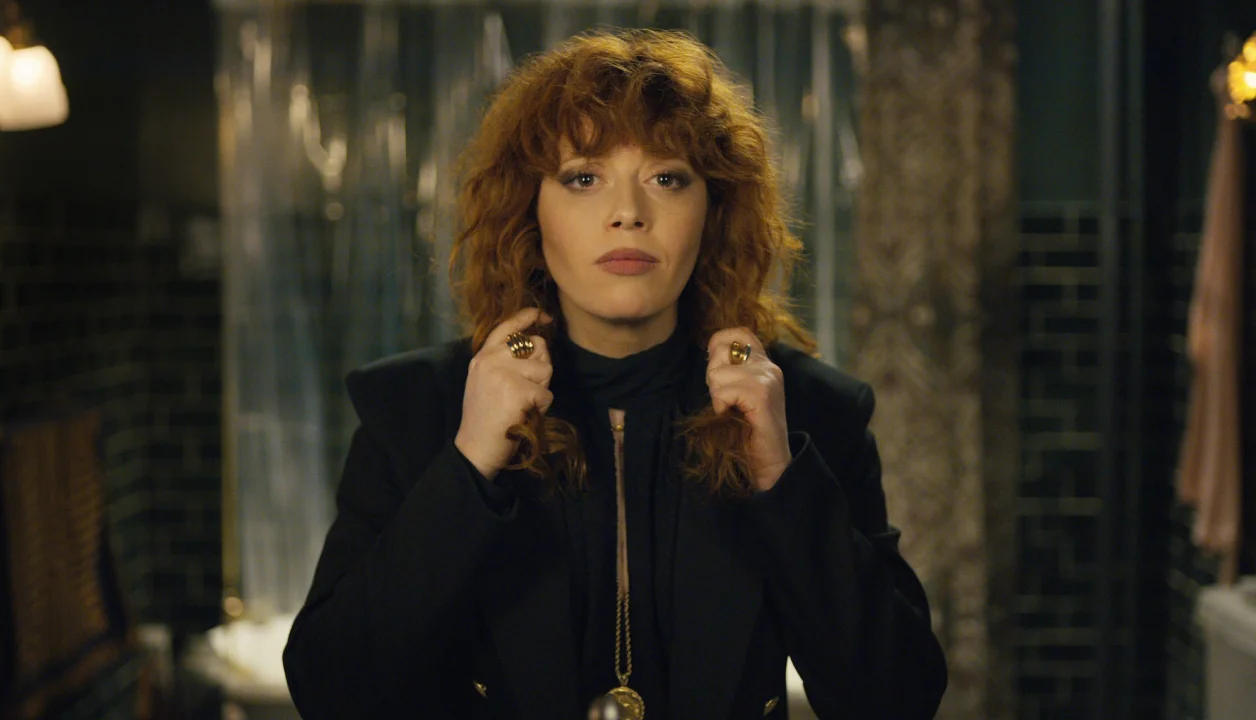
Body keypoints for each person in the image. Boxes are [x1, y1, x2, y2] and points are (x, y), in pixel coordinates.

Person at [283, 28, 946, 720]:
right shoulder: (415, 408)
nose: (628, 213)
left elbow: (897, 701)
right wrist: (468, 463)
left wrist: (780, 479)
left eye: (667, 178)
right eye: (584, 178)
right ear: (528, 209)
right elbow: (332, 692)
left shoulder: (810, 411)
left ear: (714, 211)